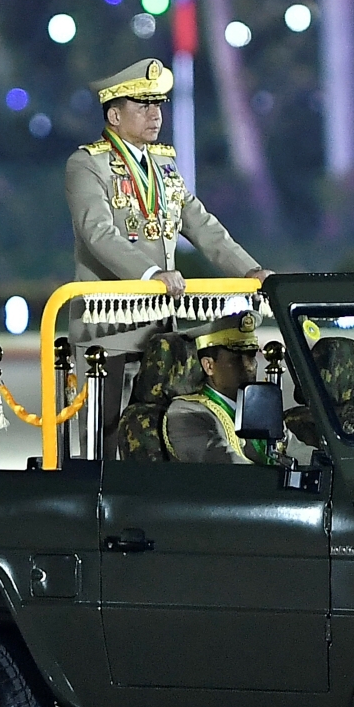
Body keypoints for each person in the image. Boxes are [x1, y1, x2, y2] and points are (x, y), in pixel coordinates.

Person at [63, 58, 271, 441]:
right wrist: (150, 275)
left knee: (158, 431)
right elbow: (97, 232)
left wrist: (250, 270)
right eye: (143, 106)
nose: (155, 115)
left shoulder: (164, 166)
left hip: (160, 325)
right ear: (114, 115)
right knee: (104, 437)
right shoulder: (87, 164)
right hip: (108, 324)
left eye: (158, 105)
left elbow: (202, 225)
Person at [164, 313, 277, 464]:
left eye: (251, 355)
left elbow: (297, 450)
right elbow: (225, 465)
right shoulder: (186, 412)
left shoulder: (261, 409)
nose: (249, 366)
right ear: (209, 366)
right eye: (236, 359)